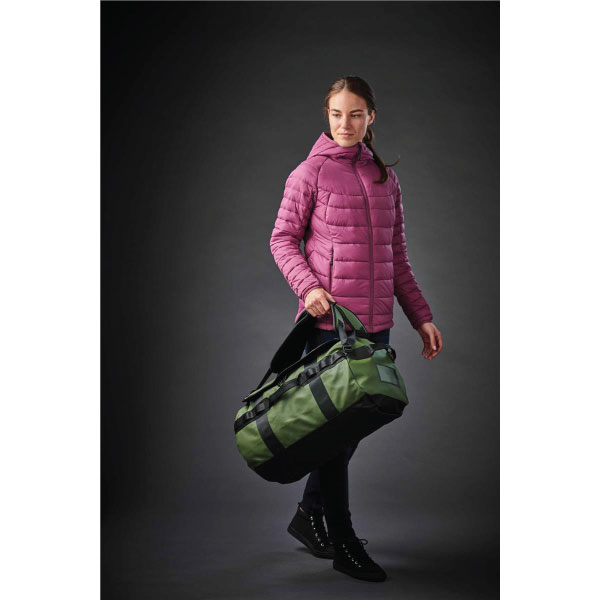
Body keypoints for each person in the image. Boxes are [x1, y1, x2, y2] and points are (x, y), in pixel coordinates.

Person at [269, 76, 443, 582]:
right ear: (327, 116)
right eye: (336, 114)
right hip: (330, 325)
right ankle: (343, 541)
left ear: (371, 117)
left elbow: (397, 258)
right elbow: (282, 239)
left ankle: (308, 516)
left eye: (355, 114)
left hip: (376, 327)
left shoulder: (386, 179)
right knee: (333, 436)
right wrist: (308, 287)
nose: (345, 124)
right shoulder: (309, 173)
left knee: (347, 433)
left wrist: (421, 316)